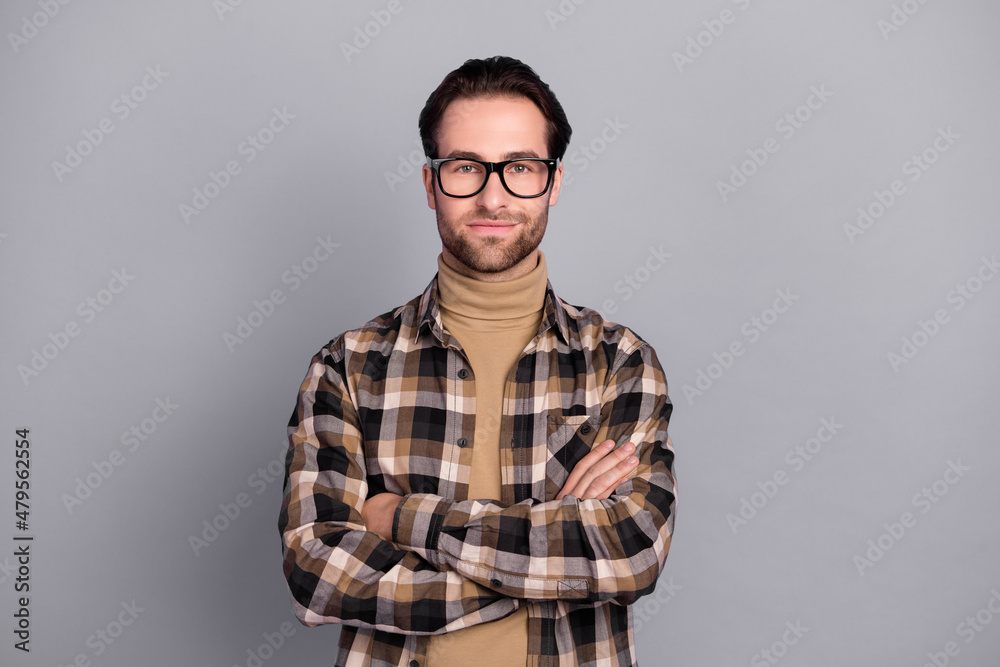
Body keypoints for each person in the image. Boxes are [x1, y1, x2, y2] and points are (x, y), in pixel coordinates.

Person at [279, 55, 676, 667]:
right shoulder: (348, 366)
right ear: (430, 184)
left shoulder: (619, 362)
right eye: (466, 167)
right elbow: (318, 572)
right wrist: (554, 558)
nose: (493, 197)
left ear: (554, 182)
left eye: (520, 167)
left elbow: (630, 553)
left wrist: (400, 517)